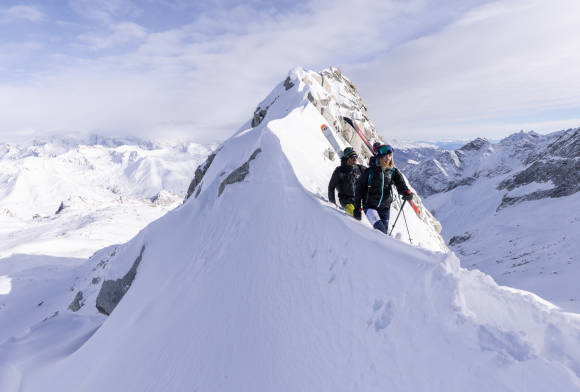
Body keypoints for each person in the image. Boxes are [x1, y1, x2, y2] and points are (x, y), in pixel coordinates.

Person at [353, 144, 414, 235]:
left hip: (385, 208)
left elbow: (401, 185)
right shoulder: (370, 172)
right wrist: (357, 208)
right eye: (385, 156)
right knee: (381, 232)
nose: (388, 158)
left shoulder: (393, 171)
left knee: (383, 234)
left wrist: (406, 192)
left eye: (390, 156)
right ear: (379, 157)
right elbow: (359, 189)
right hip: (370, 206)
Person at [328, 147, 365, 216]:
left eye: (356, 157)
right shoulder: (340, 171)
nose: (355, 159)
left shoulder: (359, 168)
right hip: (346, 201)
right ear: (347, 159)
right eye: (352, 157)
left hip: (359, 201)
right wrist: (332, 203)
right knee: (355, 216)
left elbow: (371, 173)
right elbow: (331, 186)